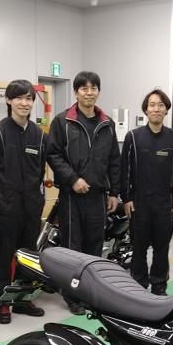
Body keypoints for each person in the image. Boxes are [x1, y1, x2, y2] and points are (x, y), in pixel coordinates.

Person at [47, 71, 121, 314]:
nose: (89, 93)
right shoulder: (63, 122)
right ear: (76, 92)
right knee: (72, 248)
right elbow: (53, 154)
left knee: (95, 247)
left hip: (98, 196)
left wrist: (114, 192)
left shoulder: (107, 124)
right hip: (72, 196)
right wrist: (73, 179)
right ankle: (72, 296)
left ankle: (89, 292)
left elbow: (114, 160)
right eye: (84, 88)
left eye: (93, 88)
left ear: (98, 91)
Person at [0, 79, 47, 324]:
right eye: (19, 98)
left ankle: (22, 299)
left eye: (29, 98)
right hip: (5, 208)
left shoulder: (39, 136)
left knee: (28, 255)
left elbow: (40, 170)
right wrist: (0, 197)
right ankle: (3, 303)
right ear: (8, 100)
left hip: (31, 207)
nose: (24, 103)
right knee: (3, 256)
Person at [121, 89, 173, 295]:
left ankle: (159, 286)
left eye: (160, 105)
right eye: (152, 105)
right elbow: (125, 170)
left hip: (165, 202)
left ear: (166, 110)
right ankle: (138, 285)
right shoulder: (133, 137)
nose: (156, 109)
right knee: (138, 247)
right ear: (146, 110)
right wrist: (126, 198)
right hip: (139, 202)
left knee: (162, 248)